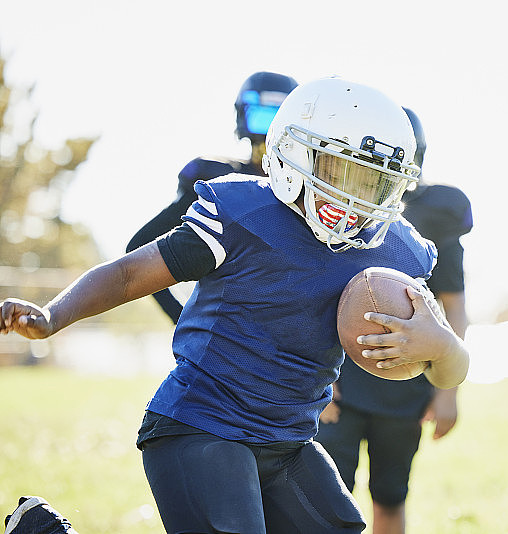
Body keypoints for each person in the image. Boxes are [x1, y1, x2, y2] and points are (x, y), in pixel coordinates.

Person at [1, 77, 470, 534]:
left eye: (372, 182)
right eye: (339, 171)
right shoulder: (244, 214)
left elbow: (448, 371)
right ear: (294, 154)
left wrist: (445, 349)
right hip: (200, 424)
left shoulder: (395, 254)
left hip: (287, 441)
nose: (353, 197)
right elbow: (128, 274)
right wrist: (52, 316)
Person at [316, 106, 472, 534]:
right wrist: (316, 380)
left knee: (390, 496)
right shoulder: (334, 203)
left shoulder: (434, 212)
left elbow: (452, 303)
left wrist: (448, 390)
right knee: (328, 505)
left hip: (405, 382)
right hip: (340, 383)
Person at [126, 71, 298, 322]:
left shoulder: (309, 192)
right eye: (263, 115)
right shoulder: (217, 180)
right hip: (227, 338)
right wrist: (184, 319)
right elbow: (140, 247)